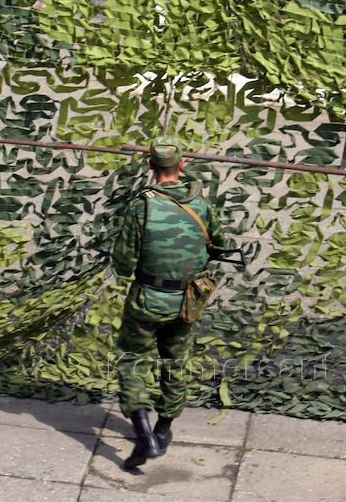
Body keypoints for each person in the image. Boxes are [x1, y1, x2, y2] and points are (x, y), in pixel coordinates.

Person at [112, 136, 229, 471]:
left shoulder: (141, 206)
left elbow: (123, 263)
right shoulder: (202, 204)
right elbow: (220, 245)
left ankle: (143, 433)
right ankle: (163, 430)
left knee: (132, 360)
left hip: (147, 299)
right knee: (175, 362)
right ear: (182, 164)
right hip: (187, 302)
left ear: (151, 166)